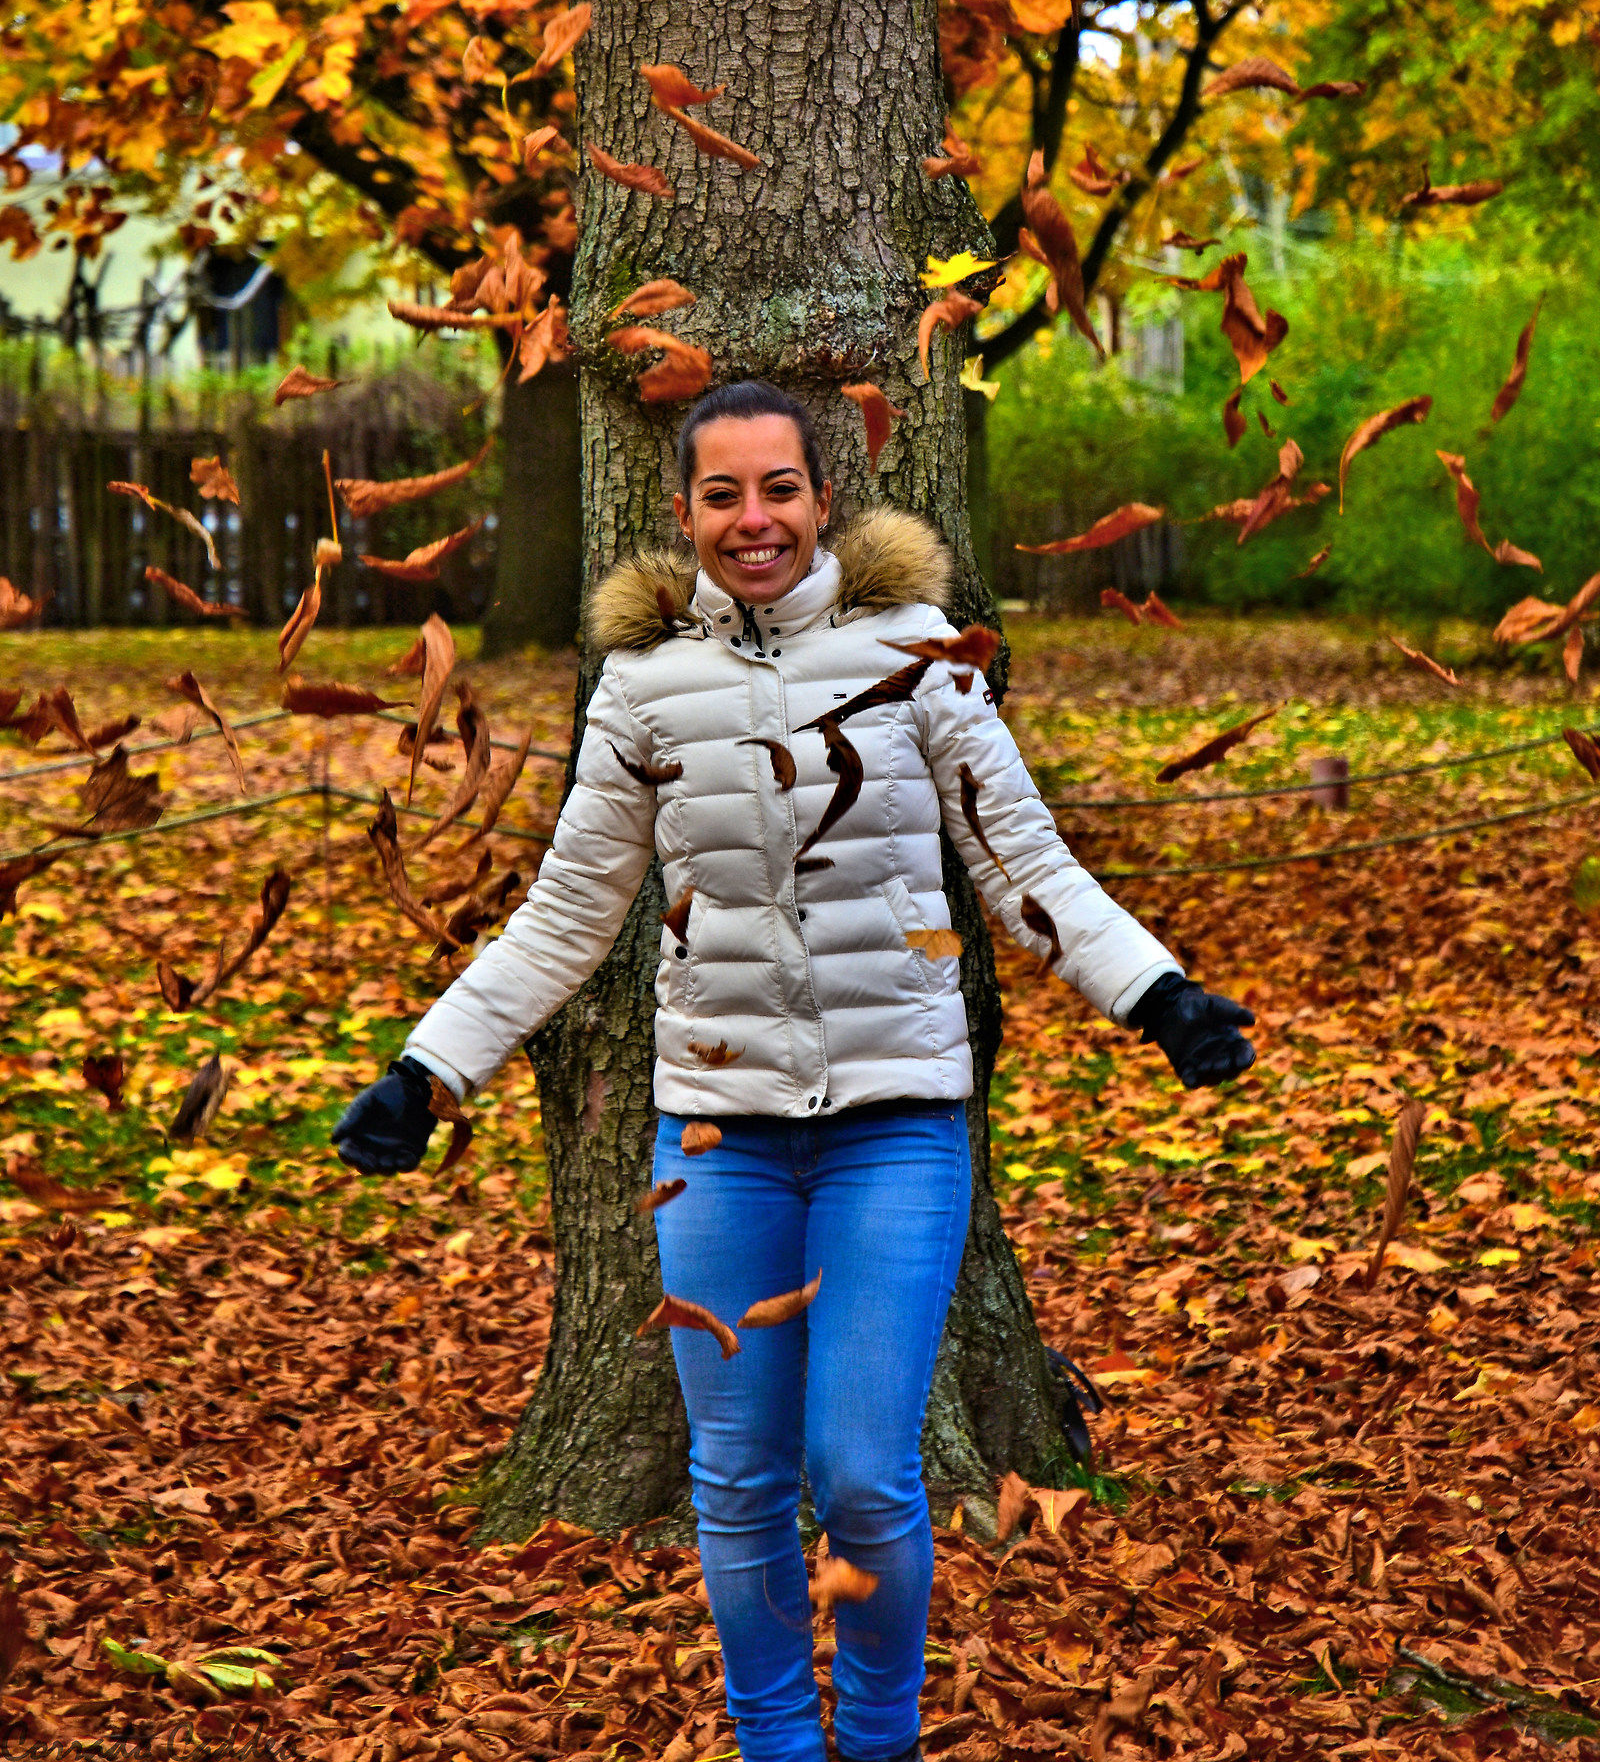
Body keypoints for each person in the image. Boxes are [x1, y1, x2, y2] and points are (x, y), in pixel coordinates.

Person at [333, 380, 1255, 1762]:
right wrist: (429, 1071)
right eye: (723, 494)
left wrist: (1157, 993)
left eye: (778, 489)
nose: (752, 519)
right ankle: (776, 1745)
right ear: (683, 512)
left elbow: (1023, 862)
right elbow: (571, 913)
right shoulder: (642, 690)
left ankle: (877, 1745)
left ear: (825, 500)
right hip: (718, 1146)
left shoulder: (918, 654)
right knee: (740, 1477)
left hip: (897, 1133)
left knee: (863, 1474)